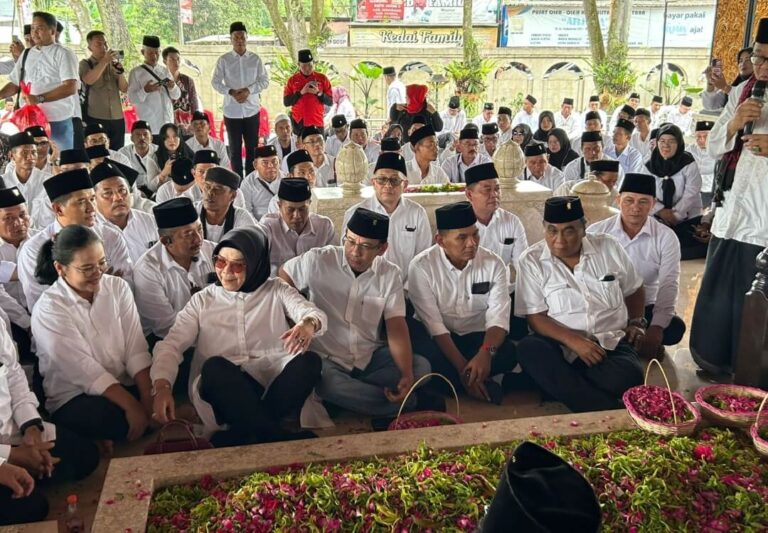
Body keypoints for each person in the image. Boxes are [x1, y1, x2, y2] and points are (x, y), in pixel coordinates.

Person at [151, 226, 325, 446]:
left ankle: (244, 432)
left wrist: (308, 324)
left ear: (255, 265)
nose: (226, 272)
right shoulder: (203, 300)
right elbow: (171, 345)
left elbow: (311, 312)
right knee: (215, 367)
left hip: (270, 383)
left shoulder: (275, 289)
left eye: (237, 265)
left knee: (310, 362)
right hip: (225, 388)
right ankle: (273, 435)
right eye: (221, 262)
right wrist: (162, 386)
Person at [280, 207, 435, 422]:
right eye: (350, 241)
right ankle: (407, 402)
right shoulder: (318, 260)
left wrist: (407, 373)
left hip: (368, 356)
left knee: (421, 367)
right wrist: (294, 316)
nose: (355, 251)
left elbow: (396, 327)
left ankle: (356, 399)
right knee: (330, 384)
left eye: (365, 246)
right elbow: (283, 276)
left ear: (382, 248)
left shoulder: (389, 274)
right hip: (326, 358)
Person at [515, 196, 645, 412]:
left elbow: (635, 288)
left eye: (569, 230)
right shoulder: (531, 260)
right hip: (559, 345)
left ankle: (563, 388)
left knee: (629, 377)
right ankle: (604, 407)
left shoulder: (608, 247)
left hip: (608, 343)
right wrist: (574, 341)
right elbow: (536, 317)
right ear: (544, 229)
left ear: (583, 228)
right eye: (552, 231)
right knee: (530, 349)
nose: (560, 240)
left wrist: (637, 322)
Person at [690, 19, 768, 376]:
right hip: (732, 209)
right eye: (757, 56)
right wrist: (735, 122)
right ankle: (713, 358)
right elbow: (717, 145)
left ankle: (750, 369)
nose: (761, 65)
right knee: (720, 292)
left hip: (763, 219)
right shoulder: (743, 91)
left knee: (756, 299)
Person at [30, 224, 151, 447]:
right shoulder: (49, 308)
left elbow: (136, 346)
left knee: (160, 393)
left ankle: (122, 429)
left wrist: (147, 398)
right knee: (108, 417)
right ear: (60, 268)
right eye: (86, 269)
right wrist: (133, 407)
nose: (98, 274)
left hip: (120, 383)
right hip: (75, 395)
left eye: (102, 263)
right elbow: (83, 370)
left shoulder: (117, 288)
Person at [407, 201, 516, 404]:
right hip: (438, 341)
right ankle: (479, 381)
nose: (472, 243)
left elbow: (498, 320)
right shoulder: (421, 267)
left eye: (475, 234)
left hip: (478, 339)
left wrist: (486, 354)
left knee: (507, 351)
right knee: (423, 358)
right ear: (440, 240)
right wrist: (461, 367)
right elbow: (434, 326)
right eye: (462, 238)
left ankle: (453, 385)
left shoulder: (494, 264)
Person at [0, 317, 99, 526]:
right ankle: (28, 468)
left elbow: (14, 376)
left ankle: (32, 464)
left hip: (12, 429)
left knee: (85, 456)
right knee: (31, 508)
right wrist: (10, 457)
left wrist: (31, 430)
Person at [588, 173, 685, 359]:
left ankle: (628, 340)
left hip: (646, 307)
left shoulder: (666, 237)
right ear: (618, 200)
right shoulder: (596, 232)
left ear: (653, 204)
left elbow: (669, 283)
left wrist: (655, 329)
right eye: (629, 200)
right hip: (607, 306)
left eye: (643, 202)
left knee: (674, 329)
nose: (635, 208)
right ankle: (631, 342)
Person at [17, 168, 133, 311]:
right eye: (81, 202)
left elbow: (125, 288)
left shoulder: (111, 236)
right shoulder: (33, 249)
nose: (91, 208)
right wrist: (103, 286)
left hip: (112, 315)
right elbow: (42, 304)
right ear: (58, 209)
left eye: (92, 199)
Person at [342, 153, 431, 283]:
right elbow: (347, 257)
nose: (388, 185)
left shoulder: (417, 213)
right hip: (364, 287)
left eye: (394, 180)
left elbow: (423, 258)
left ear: (405, 185)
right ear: (373, 182)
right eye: (382, 179)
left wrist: (406, 290)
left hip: (405, 288)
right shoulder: (355, 213)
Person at [134, 198, 214, 339]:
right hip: (169, 341)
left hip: (214, 331)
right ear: (166, 241)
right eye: (188, 234)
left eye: (199, 229)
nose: (198, 239)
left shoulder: (214, 251)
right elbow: (166, 327)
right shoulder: (148, 270)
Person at [464, 163, 528, 338]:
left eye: (497, 189)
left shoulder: (511, 222)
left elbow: (523, 265)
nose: (494, 195)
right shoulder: (458, 225)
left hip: (503, 293)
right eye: (487, 190)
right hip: (467, 295)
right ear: (469, 194)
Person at [0, 13, 77, 151]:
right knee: (32, 161)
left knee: (61, 163)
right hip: (30, 120)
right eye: (33, 28)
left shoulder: (63, 53)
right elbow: (15, 83)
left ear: (52, 31)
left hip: (57, 120)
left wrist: (39, 98)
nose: (34, 32)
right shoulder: (27, 53)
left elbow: (70, 87)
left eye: (39, 28)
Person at [212, 22, 269, 178]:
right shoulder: (224, 60)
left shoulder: (255, 59)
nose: (239, 40)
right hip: (232, 112)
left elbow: (265, 81)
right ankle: (236, 182)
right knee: (235, 149)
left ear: (247, 38)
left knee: (252, 148)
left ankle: (251, 179)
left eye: (242, 37)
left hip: (252, 110)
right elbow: (215, 82)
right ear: (231, 39)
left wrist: (248, 91)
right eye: (236, 37)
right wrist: (230, 92)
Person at [645, 123, 705, 259]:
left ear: (679, 143)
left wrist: (675, 215)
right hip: (657, 216)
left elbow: (692, 192)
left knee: (684, 250)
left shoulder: (688, 163)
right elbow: (646, 193)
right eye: (662, 141)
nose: (666, 146)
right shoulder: (649, 165)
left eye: (671, 142)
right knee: (655, 249)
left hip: (687, 216)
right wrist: (660, 211)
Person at [258, 178, 334, 274]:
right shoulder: (268, 227)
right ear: (279, 206)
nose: (297, 216)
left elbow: (332, 265)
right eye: (290, 209)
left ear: (310, 204)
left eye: (302, 209)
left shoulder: (325, 226)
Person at [92, 161, 158, 263]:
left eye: (122, 190)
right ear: (94, 199)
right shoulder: (92, 233)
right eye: (108, 193)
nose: (118, 198)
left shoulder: (150, 221)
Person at [79, 30, 128, 149]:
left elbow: (124, 88)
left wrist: (120, 73)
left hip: (117, 116)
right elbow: (88, 80)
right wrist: (104, 62)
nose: (104, 47)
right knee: (97, 151)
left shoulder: (113, 63)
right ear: (90, 47)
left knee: (118, 151)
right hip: (96, 115)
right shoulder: (85, 63)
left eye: (105, 44)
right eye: (98, 44)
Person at [127, 36, 180, 134]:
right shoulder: (136, 73)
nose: (154, 56)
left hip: (168, 121)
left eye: (157, 53)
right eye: (150, 53)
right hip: (150, 124)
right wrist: (145, 90)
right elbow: (131, 98)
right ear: (143, 52)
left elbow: (176, 95)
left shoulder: (165, 70)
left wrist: (173, 87)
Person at [1, 132, 51, 223]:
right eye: (24, 153)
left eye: (34, 152)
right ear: (12, 156)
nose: (30, 157)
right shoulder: (3, 182)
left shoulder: (48, 181)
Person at [197, 166, 255, 243]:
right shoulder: (192, 212)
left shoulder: (241, 218)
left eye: (217, 189)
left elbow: (252, 247)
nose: (210, 193)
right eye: (207, 187)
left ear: (232, 196)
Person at [283, 49, 332, 134]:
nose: (307, 68)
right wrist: (301, 92)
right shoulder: (292, 80)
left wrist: (318, 93)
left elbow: (330, 102)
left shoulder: (322, 78)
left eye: (310, 65)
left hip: (317, 121)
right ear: (298, 65)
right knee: (299, 146)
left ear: (313, 63)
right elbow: (286, 102)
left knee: (317, 146)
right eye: (304, 66)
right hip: (298, 122)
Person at [701, 47, 753, 112]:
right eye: (740, 61)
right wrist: (710, 83)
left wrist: (725, 87)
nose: (743, 64)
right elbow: (710, 106)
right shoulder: (736, 83)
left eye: (748, 60)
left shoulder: (757, 85)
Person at [148, 123, 195, 192]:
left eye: (175, 136)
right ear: (162, 140)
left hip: (189, 192)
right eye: (167, 137)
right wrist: (163, 173)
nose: (172, 140)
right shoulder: (153, 158)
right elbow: (151, 187)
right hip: (165, 194)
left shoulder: (188, 153)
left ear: (180, 138)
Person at [117, 121, 160, 196]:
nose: (142, 137)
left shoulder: (159, 151)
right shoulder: (122, 153)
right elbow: (120, 178)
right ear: (131, 138)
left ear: (151, 138)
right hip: (133, 192)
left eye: (145, 134)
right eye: (138, 134)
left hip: (157, 191)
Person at [162, 46, 200, 131]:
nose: (176, 62)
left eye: (178, 59)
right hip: (168, 123)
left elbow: (194, 101)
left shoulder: (187, 80)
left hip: (187, 124)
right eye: (172, 59)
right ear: (165, 61)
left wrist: (194, 121)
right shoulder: (162, 81)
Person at [241, 145, 282, 220]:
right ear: (255, 165)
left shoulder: (286, 178)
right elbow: (246, 212)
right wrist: (259, 228)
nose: (271, 166)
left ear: (279, 162)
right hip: (259, 226)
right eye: (265, 163)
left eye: (274, 161)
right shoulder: (247, 183)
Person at [689, 120, 717, 208]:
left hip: (709, 193)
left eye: (706, 136)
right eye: (698, 136)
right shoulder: (689, 150)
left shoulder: (718, 153)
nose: (702, 140)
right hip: (690, 191)